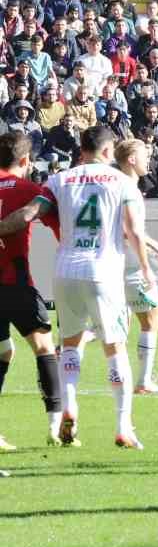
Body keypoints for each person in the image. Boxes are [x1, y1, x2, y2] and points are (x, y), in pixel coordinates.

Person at [0, 124, 155, 448]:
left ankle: (69, 408)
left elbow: (28, 214)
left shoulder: (59, 180)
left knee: (69, 345)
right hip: (103, 271)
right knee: (114, 347)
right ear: (110, 151)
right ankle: (123, 425)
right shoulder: (121, 181)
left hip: (66, 271)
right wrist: (146, 268)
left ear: (80, 149)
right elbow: (134, 232)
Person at [0, 130, 65, 450]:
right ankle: (55, 425)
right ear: (25, 160)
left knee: (3, 351)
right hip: (14, 283)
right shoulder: (30, 189)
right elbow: (60, 230)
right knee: (44, 347)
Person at [114, 140, 158, 394]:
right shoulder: (129, 189)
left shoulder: (115, 185)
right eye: (143, 155)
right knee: (150, 319)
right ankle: (144, 380)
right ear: (131, 160)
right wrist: (147, 262)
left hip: (115, 264)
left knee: (115, 324)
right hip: (131, 267)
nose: (148, 160)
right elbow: (130, 231)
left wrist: (152, 243)